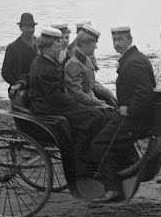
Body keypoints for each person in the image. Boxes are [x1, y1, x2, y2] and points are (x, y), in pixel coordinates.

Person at [87, 26, 156, 202]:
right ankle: (124, 179)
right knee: (104, 130)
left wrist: (128, 110)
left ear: (129, 39)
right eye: (115, 40)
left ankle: (112, 189)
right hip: (133, 116)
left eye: (121, 40)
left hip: (135, 120)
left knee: (99, 145)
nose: (117, 44)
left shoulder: (134, 62)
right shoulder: (133, 58)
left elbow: (145, 94)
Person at [29, 27, 108, 156]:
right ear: (47, 47)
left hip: (48, 103)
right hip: (46, 108)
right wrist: (76, 103)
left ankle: (89, 152)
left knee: (95, 114)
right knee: (93, 117)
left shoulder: (43, 62)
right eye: (57, 47)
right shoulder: (46, 68)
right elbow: (56, 97)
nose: (60, 49)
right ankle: (81, 155)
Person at [65, 25, 117, 110]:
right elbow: (77, 93)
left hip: (89, 99)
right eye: (94, 43)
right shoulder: (74, 63)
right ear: (85, 44)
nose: (96, 47)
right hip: (80, 104)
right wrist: (99, 103)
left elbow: (91, 83)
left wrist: (106, 95)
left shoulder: (85, 59)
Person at [1, 12, 39, 100]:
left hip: (37, 87)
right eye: (27, 27)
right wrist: (17, 84)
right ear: (21, 28)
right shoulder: (12, 48)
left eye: (32, 27)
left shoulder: (39, 44)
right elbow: (5, 72)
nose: (30, 30)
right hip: (19, 87)